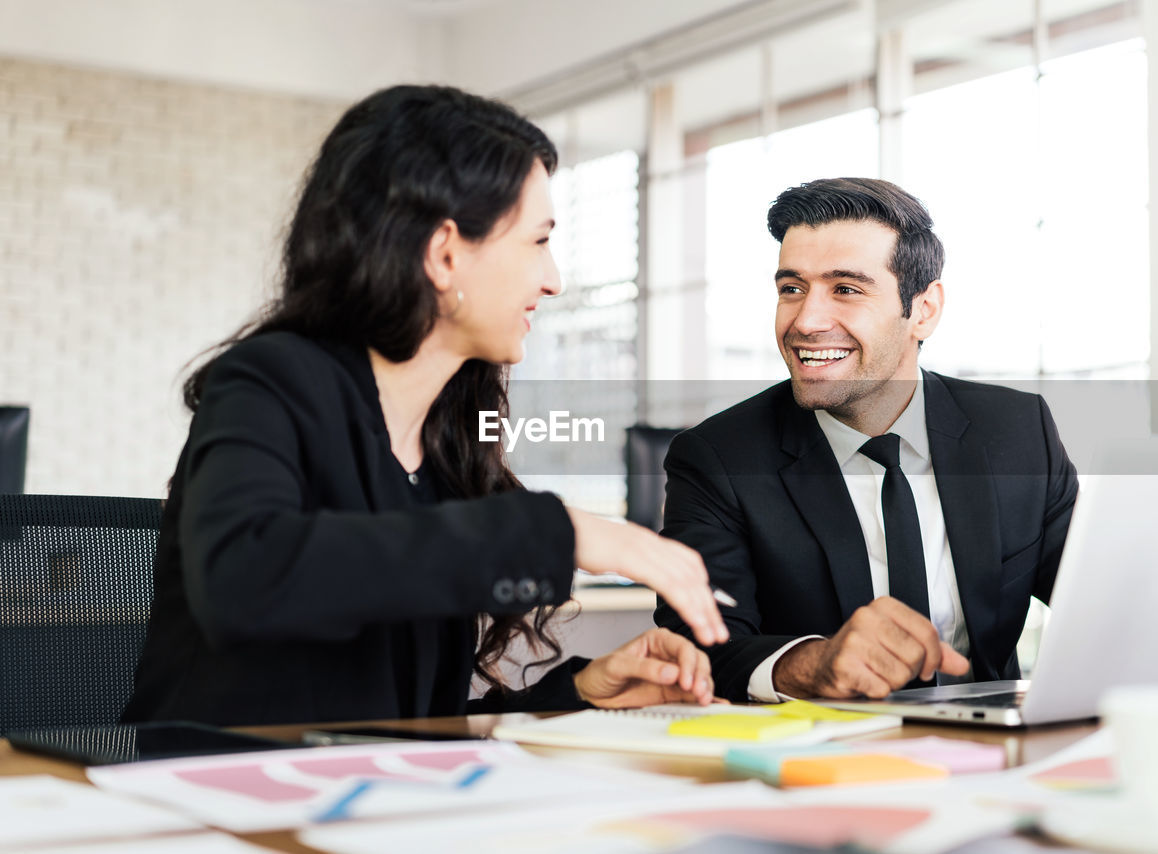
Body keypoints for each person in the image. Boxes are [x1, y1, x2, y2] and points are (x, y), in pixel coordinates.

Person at [122, 85, 728, 727]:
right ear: (444, 253)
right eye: (538, 240)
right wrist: (560, 531)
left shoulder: (446, 443)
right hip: (215, 800)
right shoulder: (272, 379)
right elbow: (245, 580)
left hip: (366, 804)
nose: (554, 279)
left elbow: (403, 714)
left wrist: (581, 690)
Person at [655, 177, 1078, 703]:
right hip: (819, 759)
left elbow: (1103, 599)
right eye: (792, 289)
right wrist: (814, 664)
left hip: (992, 751)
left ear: (922, 311)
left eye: (846, 289)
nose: (806, 320)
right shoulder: (718, 459)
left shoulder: (1016, 431)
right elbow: (696, 651)